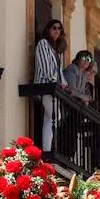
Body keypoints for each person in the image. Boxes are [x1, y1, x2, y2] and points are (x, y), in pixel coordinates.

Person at [34, 19, 66, 151]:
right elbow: (45, 65)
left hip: (53, 88)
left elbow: (58, 70)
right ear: (48, 29)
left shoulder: (56, 51)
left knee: (50, 117)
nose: (57, 31)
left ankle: (47, 148)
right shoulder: (43, 43)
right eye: (54, 28)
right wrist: (54, 81)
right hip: (45, 85)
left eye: (59, 29)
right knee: (54, 116)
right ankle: (47, 148)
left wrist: (64, 83)